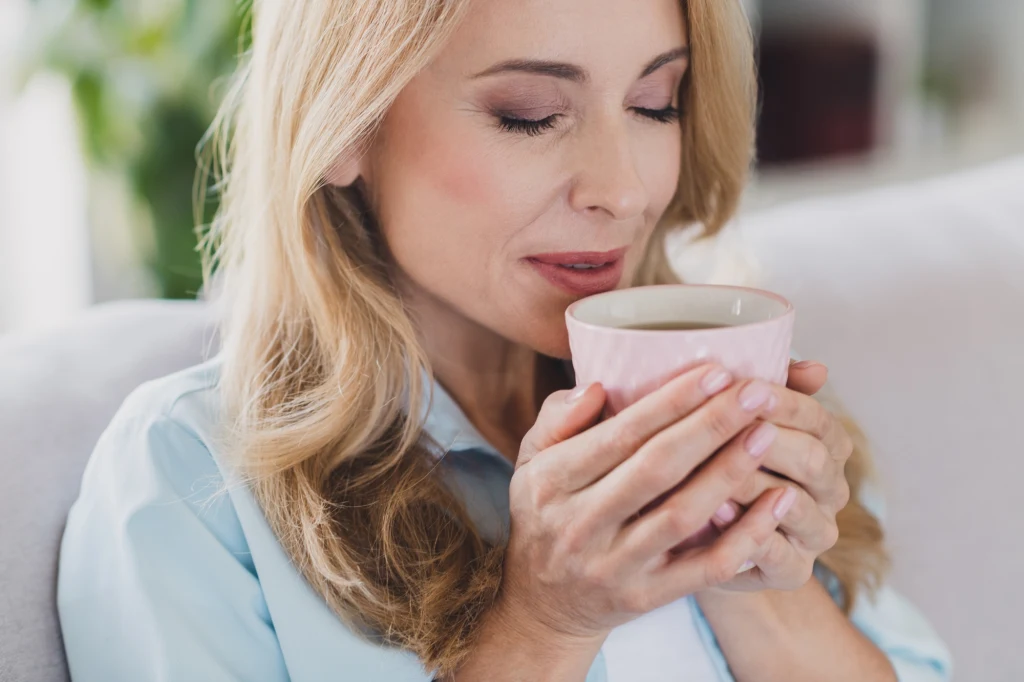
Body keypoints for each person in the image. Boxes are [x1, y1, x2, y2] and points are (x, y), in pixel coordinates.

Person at [56, 0, 952, 680]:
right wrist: (544, 624)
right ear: (347, 123)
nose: (622, 189)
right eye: (529, 113)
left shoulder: (725, 401)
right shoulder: (189, 481)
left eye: (655, 102)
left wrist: (734, 550)